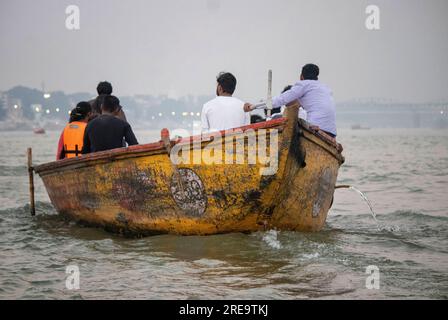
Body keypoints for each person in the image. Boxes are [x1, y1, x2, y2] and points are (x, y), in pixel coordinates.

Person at [245, 64, 336, 137]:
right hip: (332, 132)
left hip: (316, 128)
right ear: (317, 77)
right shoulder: (325, 88)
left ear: (301, 77)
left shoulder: (303, 85)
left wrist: (253, 106)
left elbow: (280, 100)